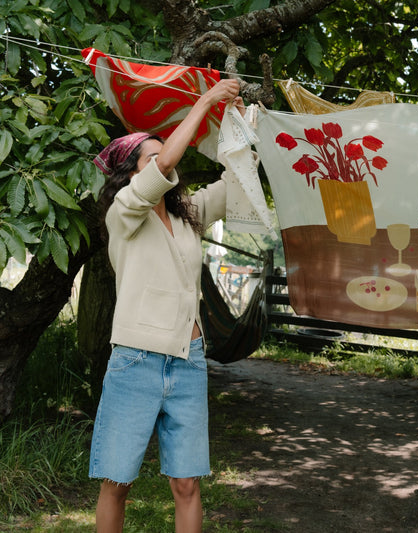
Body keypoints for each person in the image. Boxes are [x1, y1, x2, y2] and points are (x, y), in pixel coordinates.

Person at [89, 78, 242, 533]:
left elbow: (237, 182)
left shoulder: (186, 215)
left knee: (188, 487)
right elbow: (172, 160)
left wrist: (236, 125)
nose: (166, 162)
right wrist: (205, 100)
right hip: (135, 360)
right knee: (117, 484)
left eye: (165, 153)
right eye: (153, 158)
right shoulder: (124, 212)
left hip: (189, 360)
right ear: (132, 173)